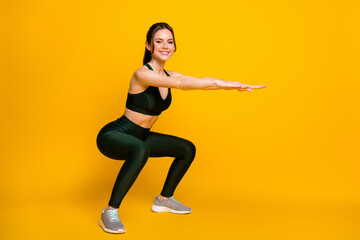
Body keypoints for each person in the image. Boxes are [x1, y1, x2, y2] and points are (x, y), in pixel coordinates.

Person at [96, 22, 266, 234]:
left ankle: (164, 199)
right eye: (159, 41)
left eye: (170, 42)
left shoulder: (170, 76)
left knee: (187, 149)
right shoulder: (142, 74)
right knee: (141, 149)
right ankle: (109, 211)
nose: (165, 46)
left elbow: (195, 80)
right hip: (114, 135)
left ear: (175, 47)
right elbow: (182, 85)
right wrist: (224, 84)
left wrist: (232, 84)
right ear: (149, 46)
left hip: (141, 136)